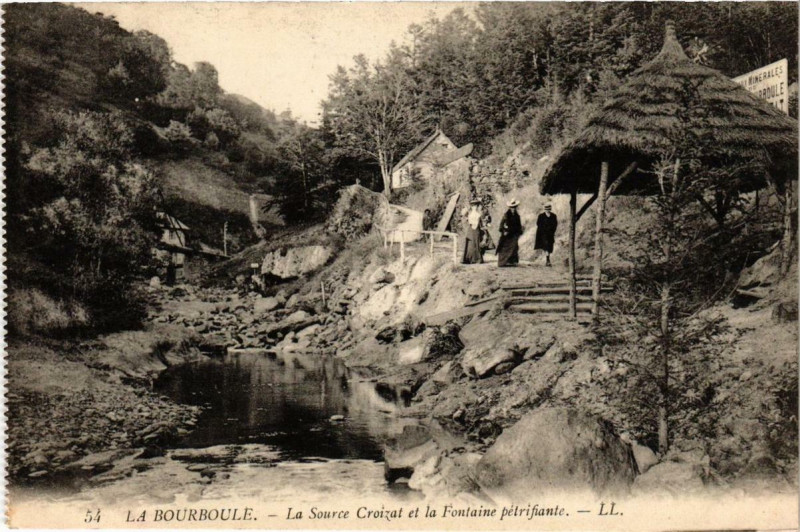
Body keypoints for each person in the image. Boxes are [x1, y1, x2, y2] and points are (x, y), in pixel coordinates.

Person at [496, 198, 523, 267]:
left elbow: (519, 225)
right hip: (507, 234)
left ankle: (512, 261)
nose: (513, 209)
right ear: (509, 207)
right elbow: (501, 225)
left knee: (514, 247)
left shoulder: (517, 216)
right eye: (512, 207)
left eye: (514, 207)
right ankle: (503, 262)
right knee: (504, 247)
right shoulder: (506, 215)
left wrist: (519, 232)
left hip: (514, 234)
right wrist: (504, 230)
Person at [462, 199, 484, 264]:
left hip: (476, 229)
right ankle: (468, 258)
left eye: (476, 206)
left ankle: (477, 259)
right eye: (473, 206)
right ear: (471, 207)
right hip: (471, 230)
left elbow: (478, 223)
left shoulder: (478, 214)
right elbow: (468, 221)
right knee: (470, 243)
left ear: (477, 206)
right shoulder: (470, 214)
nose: (474, 207)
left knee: (476, 243)